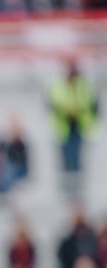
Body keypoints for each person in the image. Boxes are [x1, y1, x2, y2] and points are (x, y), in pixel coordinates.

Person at [48, 61, 98, 200]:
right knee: (66, 161)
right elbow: (53, 106)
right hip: (64, 129)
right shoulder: (58, 86)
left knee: (77, 161)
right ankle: (68, 192)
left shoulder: (84, 87)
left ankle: (77, 191)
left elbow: (92, 106)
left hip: (79, 128)